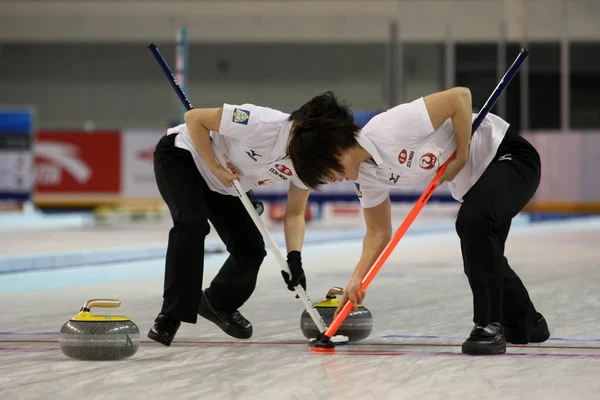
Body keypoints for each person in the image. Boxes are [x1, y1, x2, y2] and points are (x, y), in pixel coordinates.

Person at [288, 89, 550, 355]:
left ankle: (488, 326)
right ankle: (528, 324)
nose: (331, 180)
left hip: (509, 157)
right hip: (477, 183)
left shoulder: (390, 127)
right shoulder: (366, 177)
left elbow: (460, 97)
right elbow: (378, 231)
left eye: (326, 171)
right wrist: (356, 279)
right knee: (481, 260)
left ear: (337, 149)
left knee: (472, 222)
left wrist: (460, 157)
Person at [149, 95, 353, 346]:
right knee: (191, 223)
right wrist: (215, 168)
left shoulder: (308, 160)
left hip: (225, 184)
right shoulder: (260, 123)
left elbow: (295, 213)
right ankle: (170, 316)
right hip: (184, 156)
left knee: (251, 248)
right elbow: (194, 119)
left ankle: (217, 303)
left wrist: (295, 259)